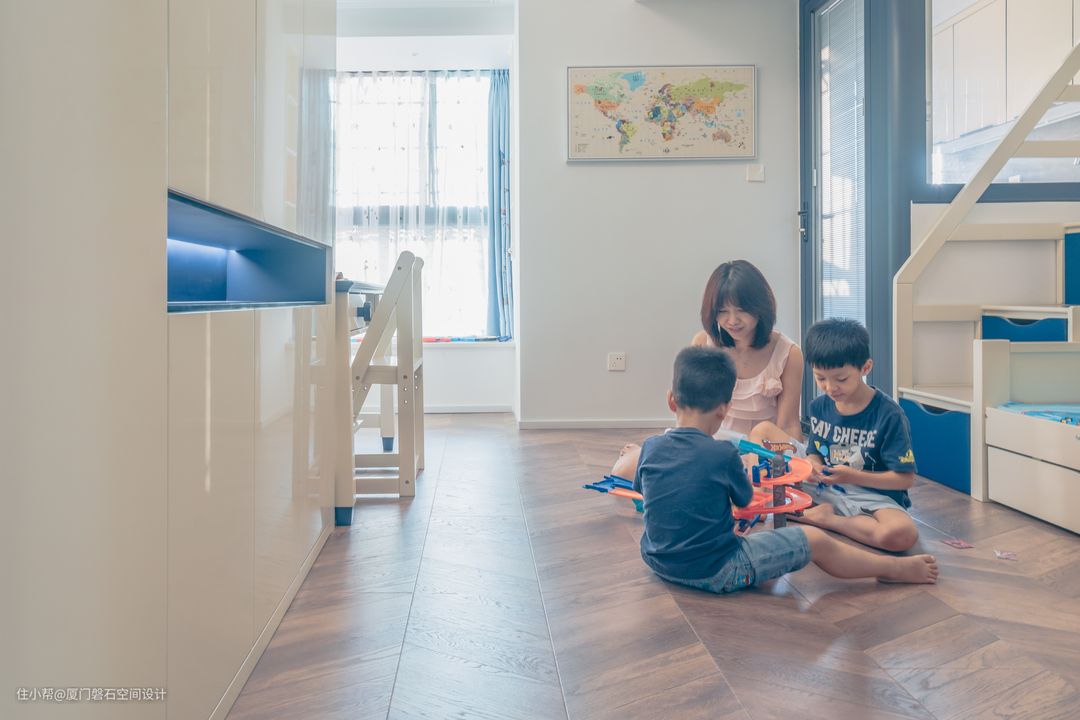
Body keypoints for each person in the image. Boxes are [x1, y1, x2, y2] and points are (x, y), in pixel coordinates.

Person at [633, 345, 939, 594]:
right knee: (816, 541)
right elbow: (745, 502)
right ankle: (893, 569)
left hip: (658, 562)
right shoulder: (723, 453)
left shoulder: (650, 446)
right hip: (718, 570)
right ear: (724, 409)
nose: (830, 387)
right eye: (821, 378)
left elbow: (646, 495)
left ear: (671, 400)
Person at [612, 259, 803, 479]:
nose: (732, 320)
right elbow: (690, 410)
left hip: (760, 450)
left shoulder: (788, 354)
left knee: (748, 479)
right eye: (723, 311)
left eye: (741, 310)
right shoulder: (703, 343)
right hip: (710, 442)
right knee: (624, 470)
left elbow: (788, 424)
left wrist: (791, 461)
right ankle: (644, 453)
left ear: (760, 307)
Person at [795, 318, 921, 553]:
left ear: (865, 367)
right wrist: (813, 465)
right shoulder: (819, 406)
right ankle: (826, 513)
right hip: (828, 487)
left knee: (902, 535)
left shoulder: (889, 415)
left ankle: (827, 519)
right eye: (820, 378)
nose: (830, 388)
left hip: (874, 496)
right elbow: (814, 452)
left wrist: (853, 476)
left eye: (841, 379)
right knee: (764, 438)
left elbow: (905, 480)